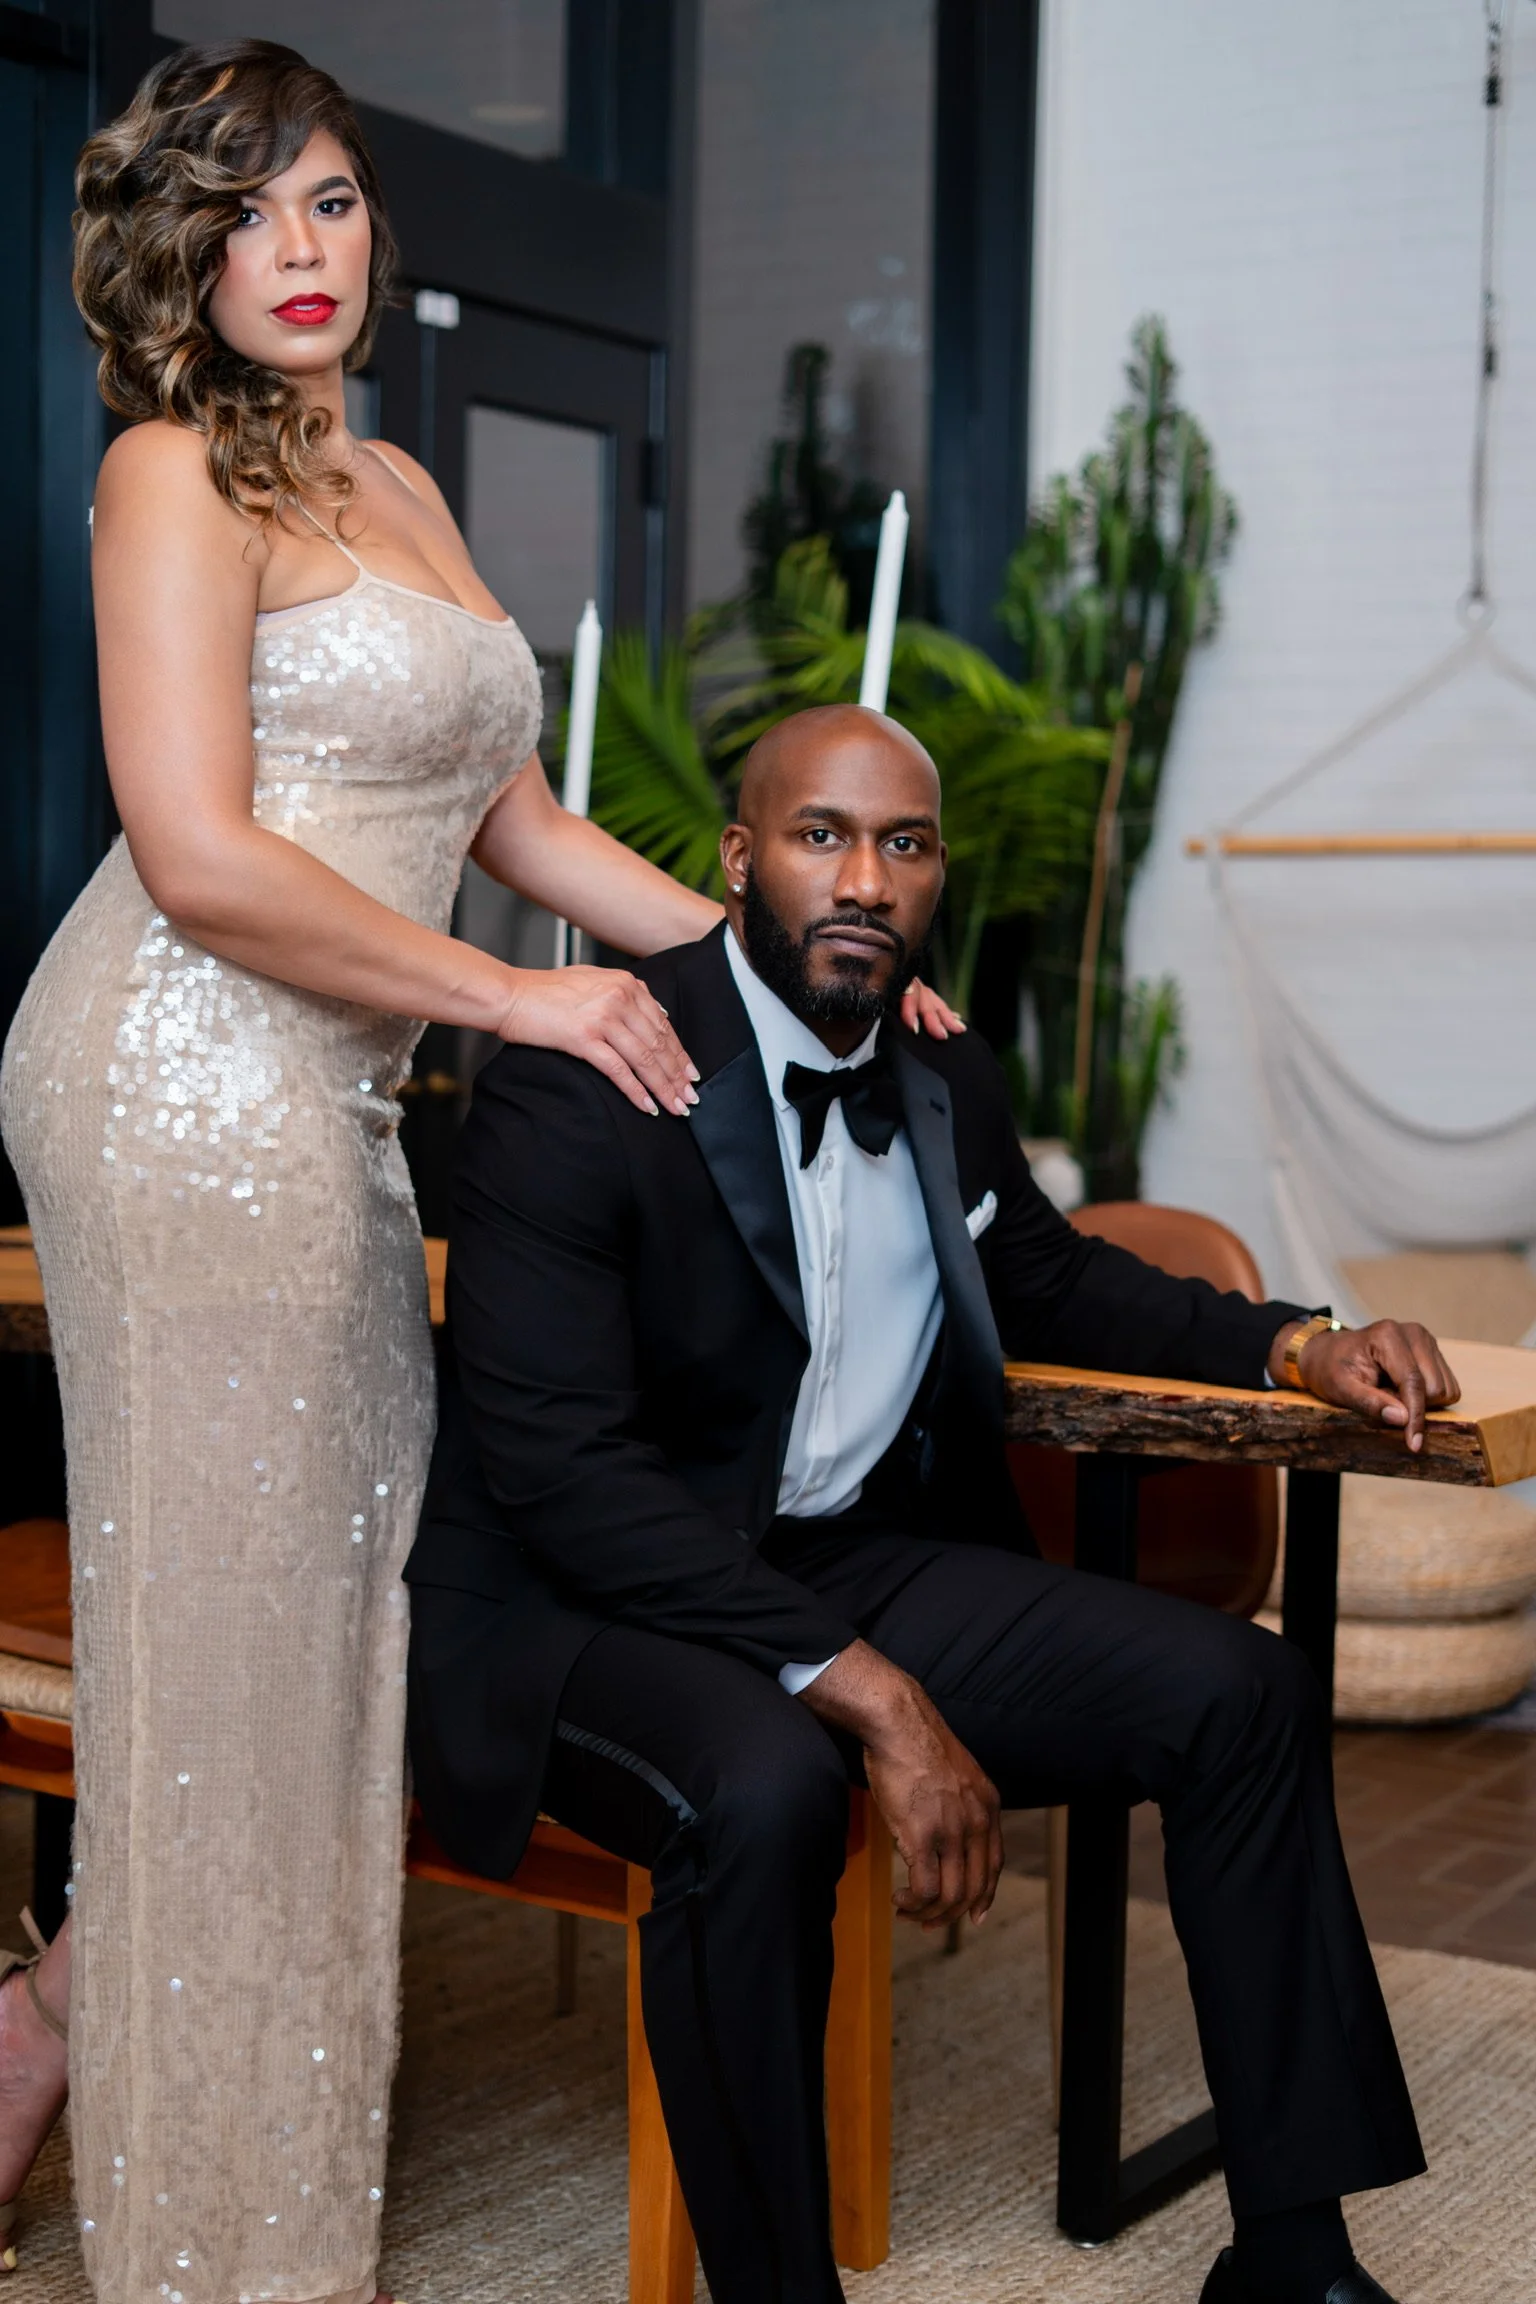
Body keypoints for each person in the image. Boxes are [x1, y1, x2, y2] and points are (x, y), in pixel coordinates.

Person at [0, 38, 962, 2301]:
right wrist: (514, 1000)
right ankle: (220, 2241)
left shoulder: (403, 485)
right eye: (240, 218)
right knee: (230, 1655)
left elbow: (515, 827)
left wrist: (794, 969)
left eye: (325, 201)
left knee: (329, 1639)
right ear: (177, 256)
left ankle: (53, 2027)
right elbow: (200, 854)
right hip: (172, 1076)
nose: (296, 253)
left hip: (320, 1089)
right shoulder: (168, 477)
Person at [408, 703, 1462, 2304]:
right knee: (757, 1788)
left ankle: (1294, 2257)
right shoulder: (583, 1080)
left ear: (935, 879)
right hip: (583, 1602)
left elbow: (1053, 1278)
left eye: (902, 845)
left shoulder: (935, 1069)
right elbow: (565, 1476)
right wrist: (878, 1700)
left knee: (1241, 1692)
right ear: (738, 859)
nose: (863, 878)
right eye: (822, 835)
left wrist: (1297, 1343)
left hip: (837, 1553)